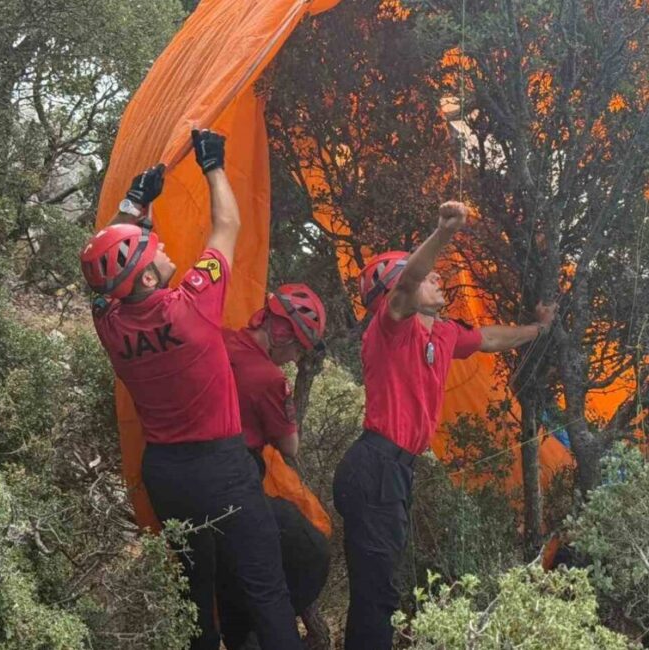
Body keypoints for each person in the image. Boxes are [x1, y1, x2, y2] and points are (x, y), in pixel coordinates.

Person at [80, 129, 302, 650]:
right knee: (267, 590)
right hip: (221, 467)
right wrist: (213, 164)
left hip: (166, 472)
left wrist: (135, 204)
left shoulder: (110, 323)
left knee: (196, 597)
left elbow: (102, 274)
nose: (160, 247)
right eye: (153, 248)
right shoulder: (192, 306)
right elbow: (228, 224)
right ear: (150, 279)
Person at [332, 200, 558, 649]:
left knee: (378, 590)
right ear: (398, 288)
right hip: (375, 465)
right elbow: (411, 279)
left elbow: (491, 337)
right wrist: (444, 233)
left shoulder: (444, 332)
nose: (438, 278)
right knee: (377, 596)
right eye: (426, 276)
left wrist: (538, 330)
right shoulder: (390, 326)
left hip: (393, 470)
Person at [218, 284, 332, 650]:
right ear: (280, 331)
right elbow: (289, 445)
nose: (296, 356)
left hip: (190, 475)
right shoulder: (268, 378)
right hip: (238, 476)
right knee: (309, 553)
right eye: (297, 345)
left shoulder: (218, 340)